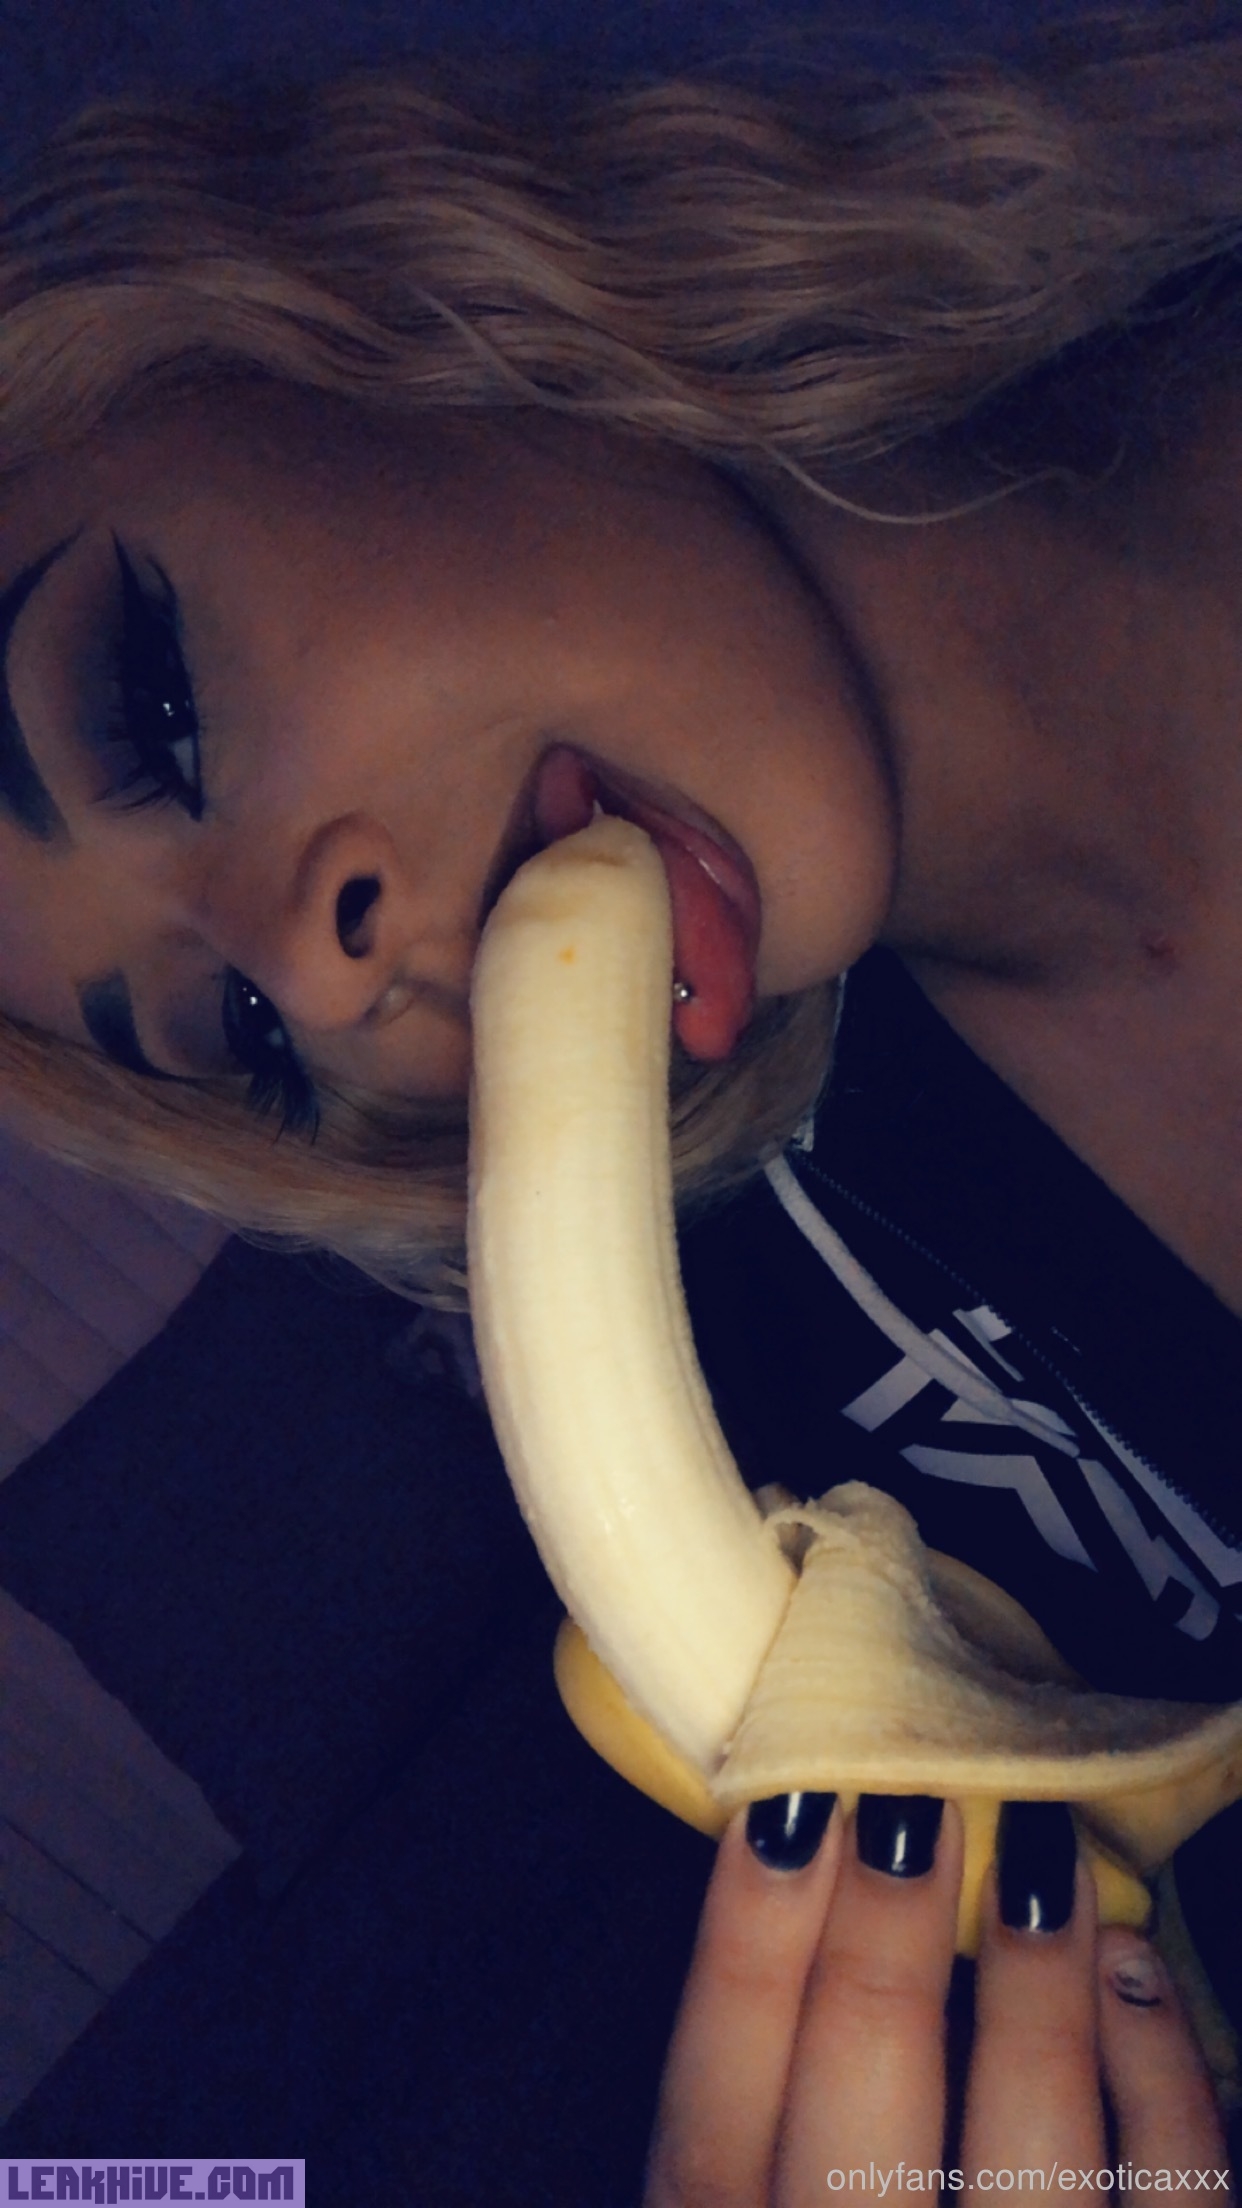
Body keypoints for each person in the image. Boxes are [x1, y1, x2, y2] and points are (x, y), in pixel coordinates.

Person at [1, 4, 1241, 2195]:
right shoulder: (751, 1389)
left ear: (346, 312)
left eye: (159, 707)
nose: (325, 964)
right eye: (245, 1034)